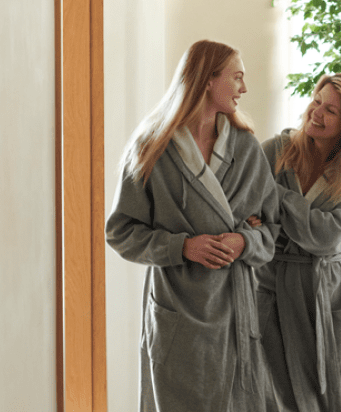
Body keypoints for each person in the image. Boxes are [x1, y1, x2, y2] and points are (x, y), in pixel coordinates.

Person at [106, 40, 281, 412]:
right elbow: (120, 230)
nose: (243, 89)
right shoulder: (150, 148)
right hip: (177, 310)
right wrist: (182, 247)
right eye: (236, 77)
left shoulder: (246, 149)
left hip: (235, 307)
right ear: (207, 79)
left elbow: (271, 230)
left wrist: (244, 242)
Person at [251, 73, 341, 412]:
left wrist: (274, 197)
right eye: (316, 102)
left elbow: (328, 236)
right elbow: (243, 208)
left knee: (328, 397)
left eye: (331, 111)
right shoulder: (276, 150)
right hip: (271, 286)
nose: (316, 113)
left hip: (324, 290)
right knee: (271, 395)